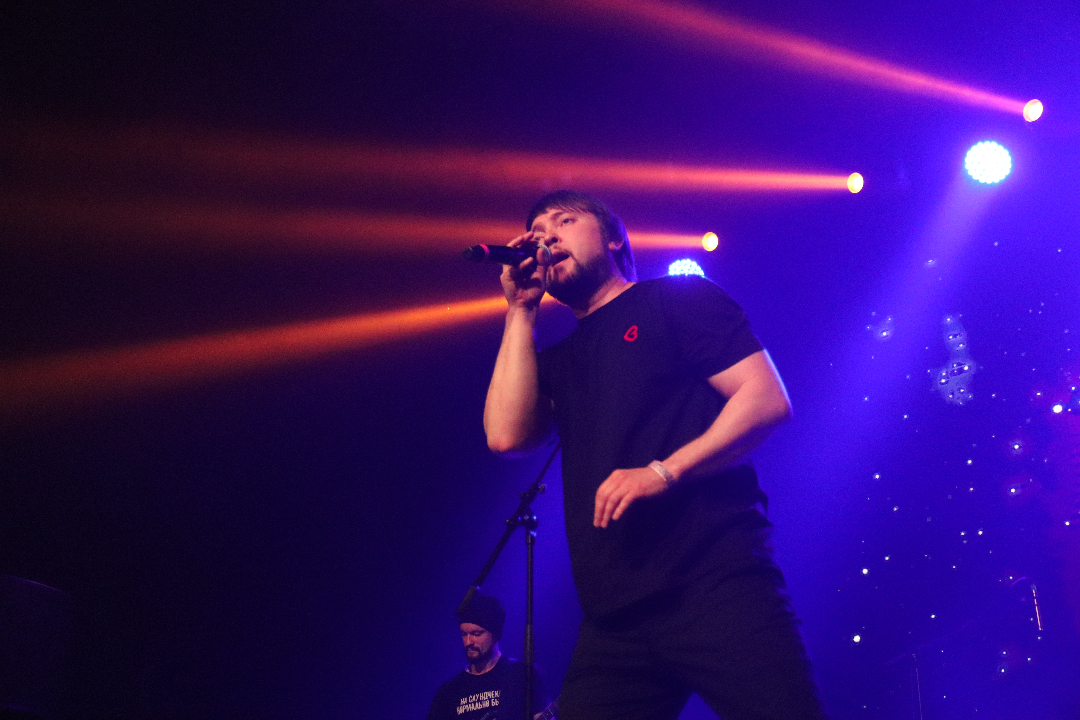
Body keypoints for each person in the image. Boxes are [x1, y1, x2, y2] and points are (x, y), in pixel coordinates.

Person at [483, 190, 825, 720]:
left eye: (564, 221)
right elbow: (505, 437)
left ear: (614, 239)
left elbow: (765, 399)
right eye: (538, 229)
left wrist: (664, 472)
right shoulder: (558, 360)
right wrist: (520, 311)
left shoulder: (676, 300)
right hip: (613, 616)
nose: (546, 236)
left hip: (714, 582)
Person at [427, 595, 550, 720]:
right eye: (464, 634)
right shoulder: (449, 692)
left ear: (495, 634)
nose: (468, 642)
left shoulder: (523, 675)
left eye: (476, 634)